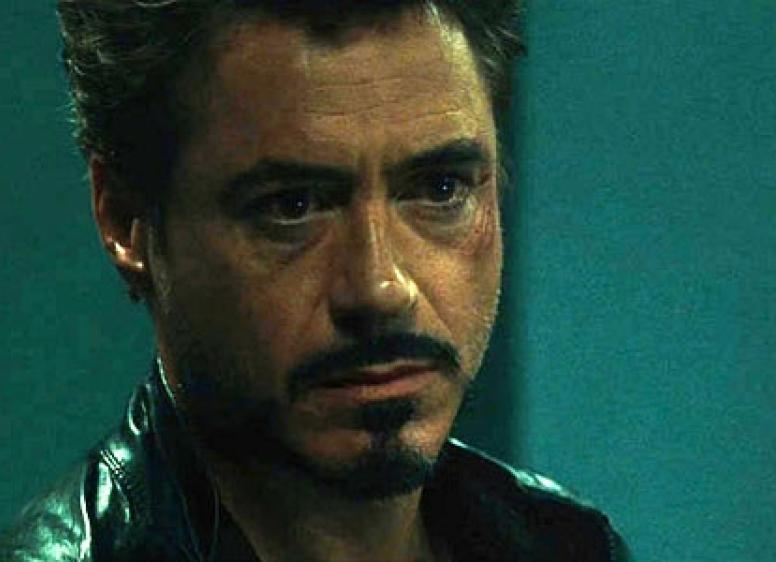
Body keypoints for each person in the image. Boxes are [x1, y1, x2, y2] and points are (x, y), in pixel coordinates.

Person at [2, 1, 631, 560]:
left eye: (441, 189)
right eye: (292, 206)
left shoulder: (566, 545)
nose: (381, 289)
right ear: (125, 220)